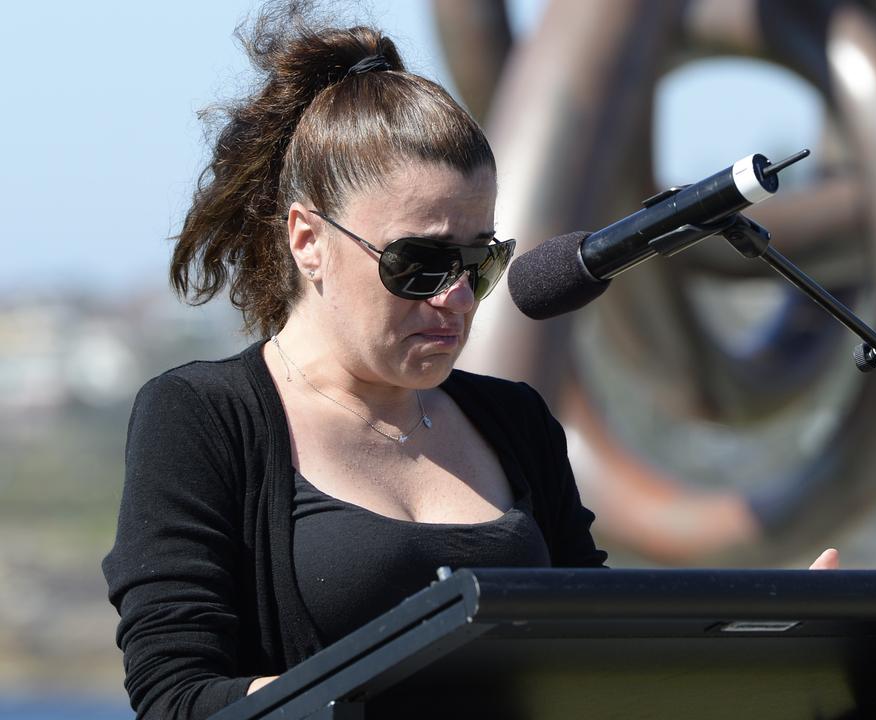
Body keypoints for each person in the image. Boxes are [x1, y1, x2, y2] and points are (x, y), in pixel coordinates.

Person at [103, 5, 838, 719]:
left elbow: (599, 655)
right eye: (418, 262)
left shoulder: (513, 419)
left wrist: (774, 639)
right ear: (307, 240)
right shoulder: (203, 417)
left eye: (480, 262)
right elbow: (177, 698)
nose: (457, 297)